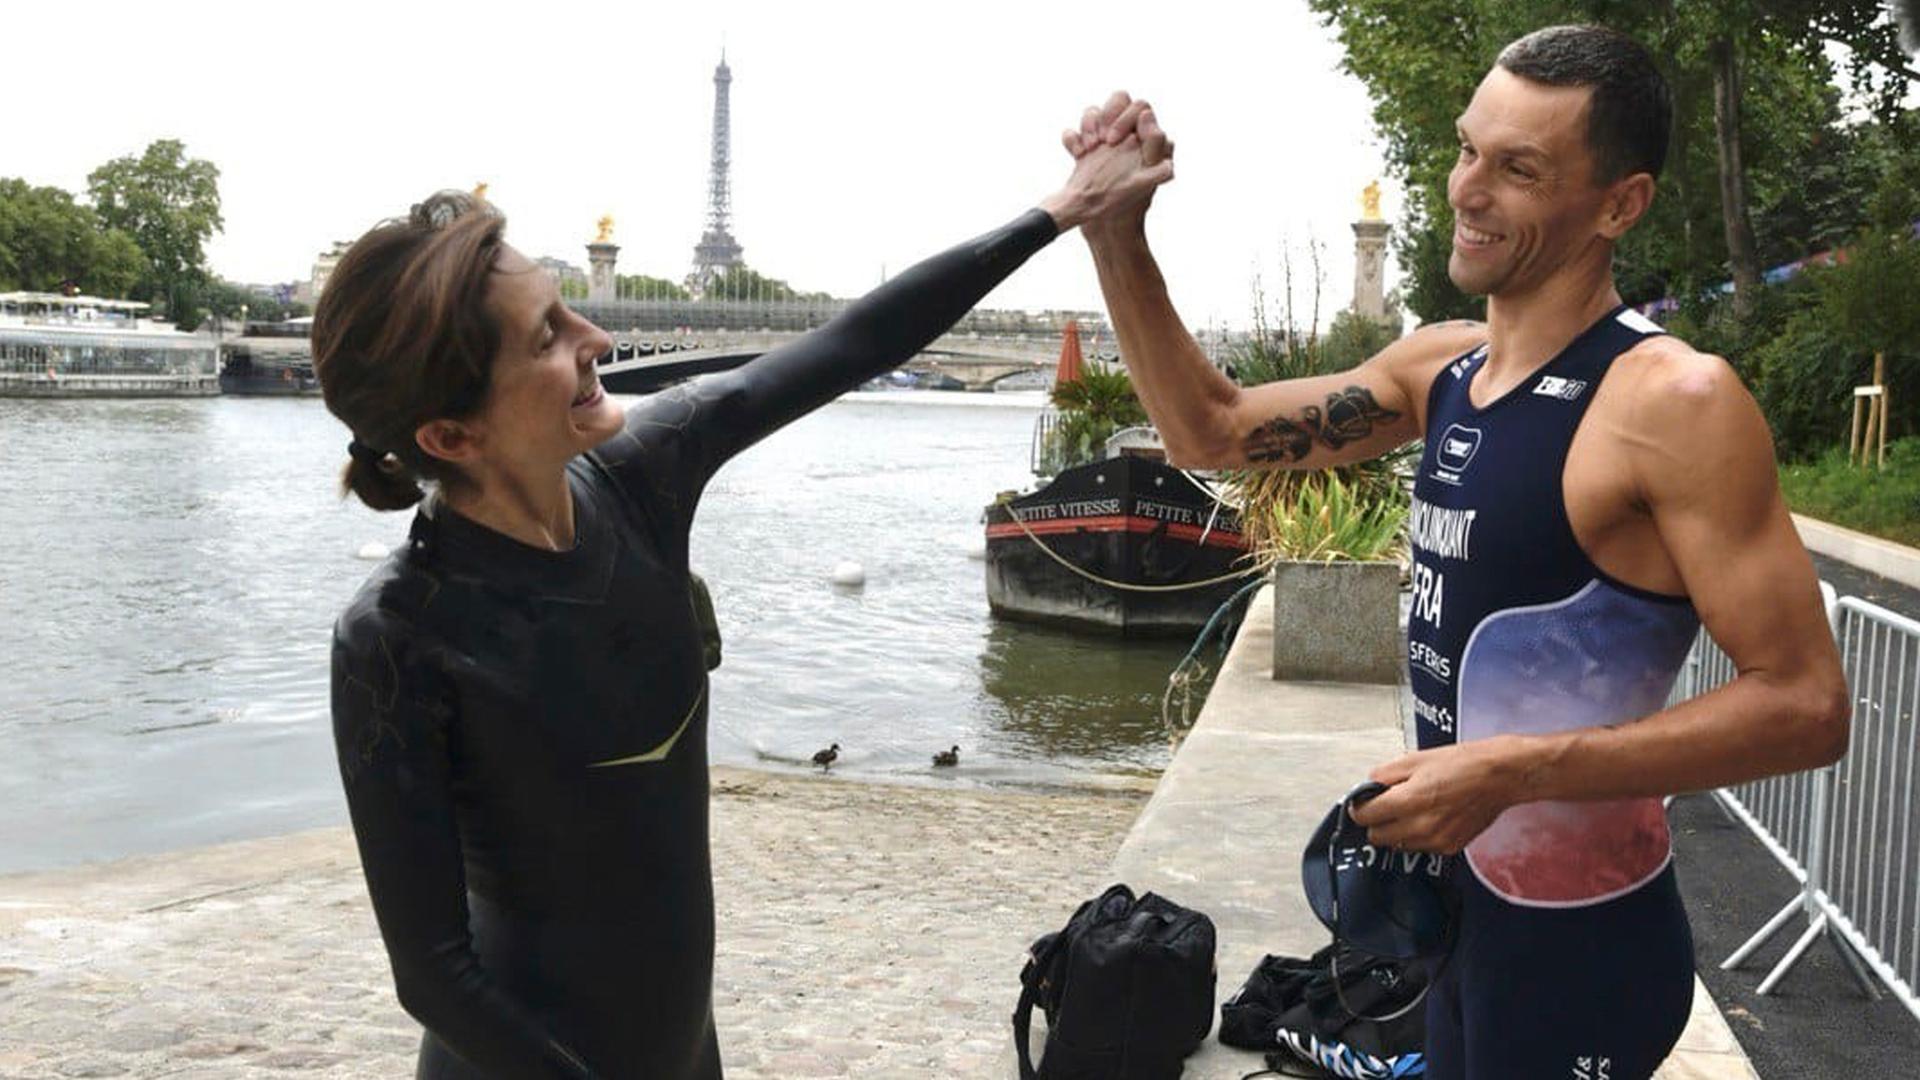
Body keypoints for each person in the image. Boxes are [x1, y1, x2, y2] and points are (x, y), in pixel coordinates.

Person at [1067, 24, 1850, 1080]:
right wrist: (1116, 234)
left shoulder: (1673, 402)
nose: (1466, 192)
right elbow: (1210, 430)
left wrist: (1514, 770)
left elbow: (1805, 704)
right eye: (1467, 149)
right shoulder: (1442, 368)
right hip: (1451, 914)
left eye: (1518, 168)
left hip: (1583, 939)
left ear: (1619, 204)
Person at [316, 140, 1169, 1078]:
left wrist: (1061, 209)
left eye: (567, 307)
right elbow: (433, 976)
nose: (594, 339)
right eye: (545, 339)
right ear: (450, 433)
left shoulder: (641, 479)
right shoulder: (396, 639)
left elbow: (851, 342)